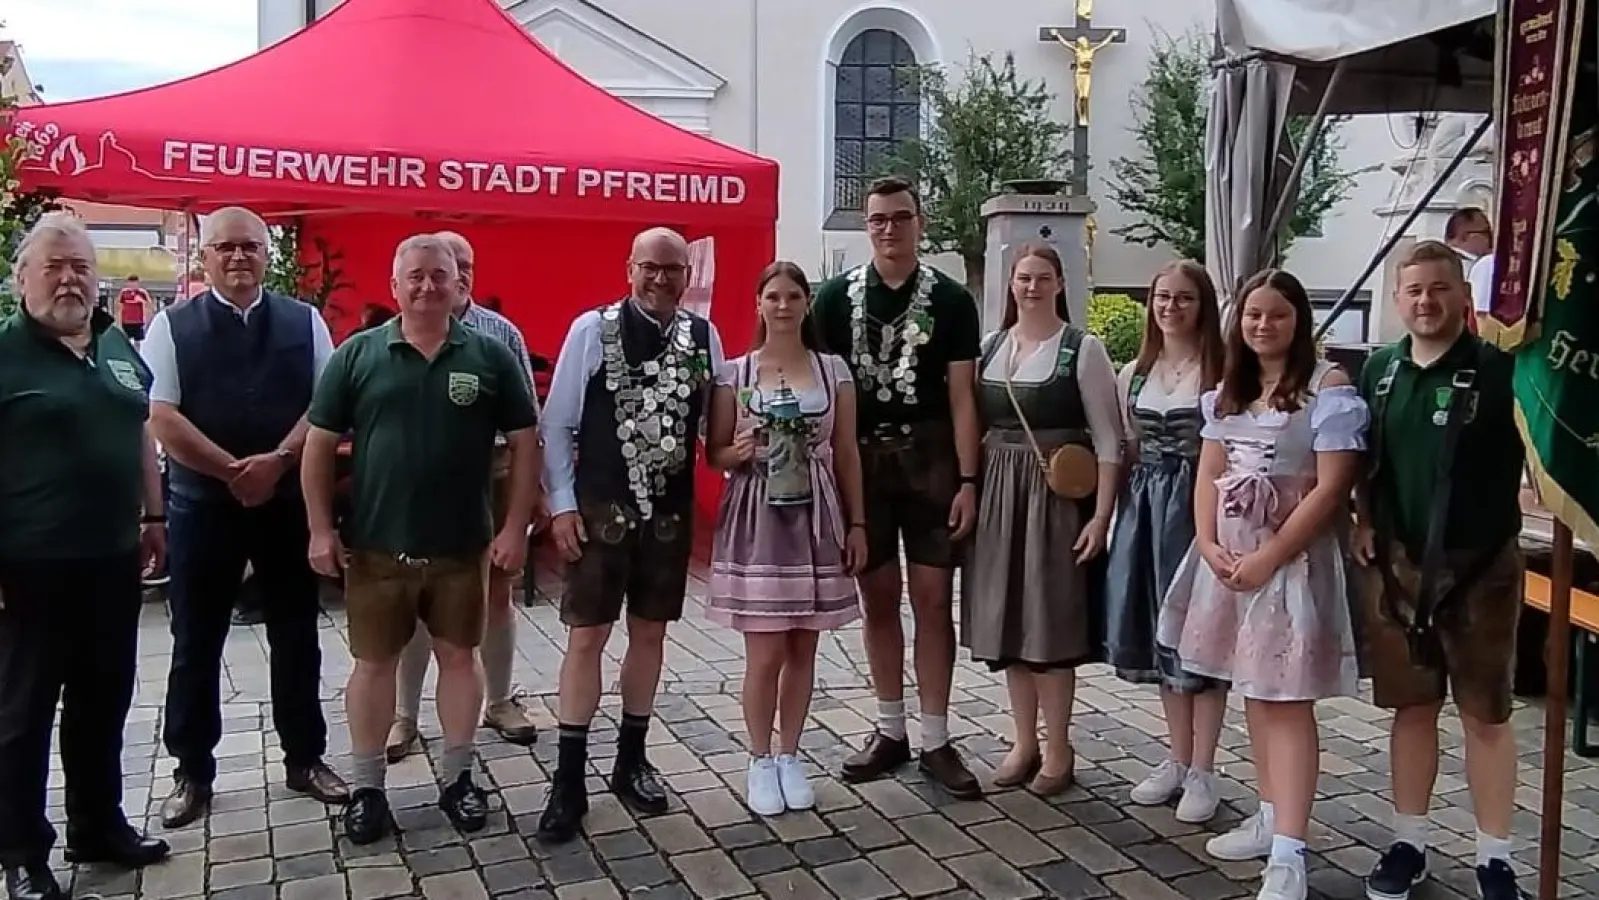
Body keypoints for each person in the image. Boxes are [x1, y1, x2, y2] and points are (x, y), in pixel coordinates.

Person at [301, 234, 539, 845]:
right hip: (377, 547)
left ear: (459, 283)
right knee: (372, 666)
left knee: (460, 659)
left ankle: (458, 778)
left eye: (440, 275)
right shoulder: (356, 356)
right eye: (416, 276)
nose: (428, 286)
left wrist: (515, 527)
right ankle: (368, 789)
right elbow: (320, 445)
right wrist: (320, 527)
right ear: (395, 284)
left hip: (464, 546)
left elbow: (524, 443)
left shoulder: (491, 356)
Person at [1155, 269, 1366, 900]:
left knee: (1286, 699)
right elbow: (1208, 472)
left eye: (1276, 315)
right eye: (1253, 316)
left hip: (1288, 565)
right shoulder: (1230, 393)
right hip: (1231, 566)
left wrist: (1269, 555)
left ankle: (1291, 854)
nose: (1263, 326)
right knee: (1251, 688)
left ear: (1298, 321)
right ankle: (1272, 813)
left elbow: (1331, 488)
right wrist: (1210, 544)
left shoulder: (1327, 391)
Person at [143, 206, 348, 829]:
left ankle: (304, 757)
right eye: (225, 248)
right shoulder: (169, 327)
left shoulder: (304, 321)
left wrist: (279, 461)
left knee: (297, 635)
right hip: (203, 504)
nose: (238, 258)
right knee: (195, 642)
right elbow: (163, 416)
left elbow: (326, 404)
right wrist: (234, 470)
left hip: (284, 500)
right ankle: (192, 771)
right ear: (205, 257)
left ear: (267, 255)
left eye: (251, 247)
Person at [0, 212, 170, 900]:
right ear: (21, 279)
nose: (70, 279)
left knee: (104, 700)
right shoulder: (5, 356)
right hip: (27, 566)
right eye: (55, 266)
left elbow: (138, 429)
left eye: (81, 268)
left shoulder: (115, 345)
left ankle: (98, 825)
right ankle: (20, 854)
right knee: (21, 715)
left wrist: (154, 513)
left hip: (111, 557)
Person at [537, 227, 725, 843]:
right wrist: (561, 506)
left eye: (674, 269)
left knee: (650, 633)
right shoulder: (591, 331)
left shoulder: (704, 335)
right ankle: (568, 780)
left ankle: (631, 758)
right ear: (629, 269)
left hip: (668, 515)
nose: (663, 279)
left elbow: (716, 426)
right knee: (586, 636)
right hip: (599, 510)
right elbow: (558, 422)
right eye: (651, 267)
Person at [1354, 241, 1526, 900]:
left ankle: (1494, 856)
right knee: (1411, 708)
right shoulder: (1378, 371)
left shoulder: (1504, 370)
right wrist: (1362, 520)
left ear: (1461, 295)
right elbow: (1359, 459)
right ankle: (1407, 841)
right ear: (1397, 299)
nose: (1424, 302)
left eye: (1437, 289)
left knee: (1485, 714)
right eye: (1413, 291)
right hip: (1398, 568)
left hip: (1481, 564)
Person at [811, 175, 984, 799]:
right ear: (866, 225)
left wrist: (969, 479)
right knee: (878, 598)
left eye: (901, 218)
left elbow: (965, 398)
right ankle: (890, 728)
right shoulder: (832, 299)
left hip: (934, 459)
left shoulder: (953, 300)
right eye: (879, 219)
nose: (889, 229)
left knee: (935, 601)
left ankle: (937, 735)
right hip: (863, 462)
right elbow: (823, 392)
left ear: (920, 222)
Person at [705, 261, 867, 816]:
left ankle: (792, 753)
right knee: (766, 649)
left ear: (806, 305)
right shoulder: (734, 374)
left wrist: (857, 523)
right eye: (772, 296)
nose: (782, 305)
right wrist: (738, 452)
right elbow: (715, 454)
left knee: (804, 645)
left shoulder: (832, 371)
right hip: (757, 516)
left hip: (817, 512)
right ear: (758, 303)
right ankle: (758, 757)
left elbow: (847, 453)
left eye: (793, 296)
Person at [960, 244, 1122, 796]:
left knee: (1049, 624)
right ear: (1011, 284)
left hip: (1054, 497)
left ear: (1060, 284)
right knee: (1010, 622)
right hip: (999, 495)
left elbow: (1108, 439)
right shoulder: (991, 346)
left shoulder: (1083, 349)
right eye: (1024, 278)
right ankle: (1023, 740)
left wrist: (1101, 518)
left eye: (1043, 278)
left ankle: (1059, 745)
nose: (1031, 287)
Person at [387, 231, 544, 762]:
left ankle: (499, 701)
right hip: (426, 485)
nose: (455, 274)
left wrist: (529, 501)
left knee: (497, 593)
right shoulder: (395, 335)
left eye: (464, 265)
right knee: (419, 600)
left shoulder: (500, 335)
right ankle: (404, 715)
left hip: (494, 473)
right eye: (446, 264)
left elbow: (528, 426)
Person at [1106, 260, 1228, 823]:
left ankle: (1205, 767)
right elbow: (1127, 446)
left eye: (1183, 298)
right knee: (1160, 627)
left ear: (1202, 305)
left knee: (1202, 635)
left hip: (1197, 508)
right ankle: (1177, 758)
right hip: (1145, 505)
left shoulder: (1222, 370)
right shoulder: (1135, 369)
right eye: (1161, 297)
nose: (1170, 307)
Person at [1443, 207, 1493, 335]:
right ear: (1464, 236)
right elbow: (1482, 316)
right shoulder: (1485, 264)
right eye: (1486, 232)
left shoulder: (1439, 262)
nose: (1493, 238)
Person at [118, 275, 151, 346]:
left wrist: (141, 301)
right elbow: (119, 306)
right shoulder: (124, 292)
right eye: (131, 283)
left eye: (135, 283)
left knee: (138, 342)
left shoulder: (142, 293)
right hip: (126, 321)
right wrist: (119, 321)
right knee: (126, 342)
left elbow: (149, 305)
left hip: (138, 322)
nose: (133, 286)